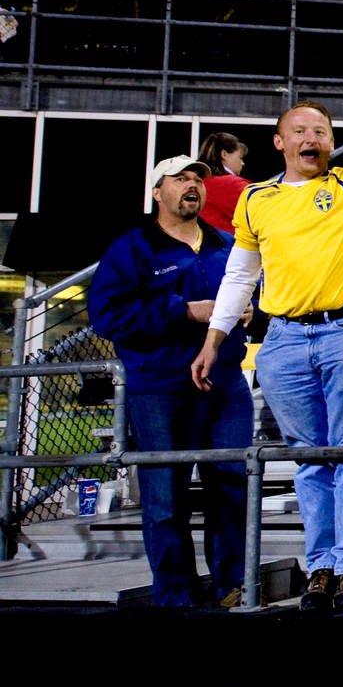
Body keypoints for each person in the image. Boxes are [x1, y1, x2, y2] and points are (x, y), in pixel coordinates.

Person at [191, 102, 343, 614]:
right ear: (280, 142)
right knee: (309, 459)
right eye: (300, 130)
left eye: (321, 131)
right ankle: (320, 568)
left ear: (331, 141)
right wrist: (213, 339)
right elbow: (240, 275)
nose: (311, 138)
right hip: (283, 339)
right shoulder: (256, 199)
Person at [88, 157, 250, 608]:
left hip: (224, 384)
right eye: (180, 179)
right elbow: (108, 317)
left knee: (231, 487)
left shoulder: (226, 245)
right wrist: (184, 310)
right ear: (157, 192)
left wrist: (251, 312)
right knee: (165, 496)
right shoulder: (132, 249)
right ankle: (176, 594)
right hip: (160, 387)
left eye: (198, 179)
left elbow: (255, 294)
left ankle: (232, 586)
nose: (192, 185)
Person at [195, 132, 250, 236]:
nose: (243, 163)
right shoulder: (234, 185)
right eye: (240, 158)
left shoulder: (193, 184)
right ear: (224, 154)